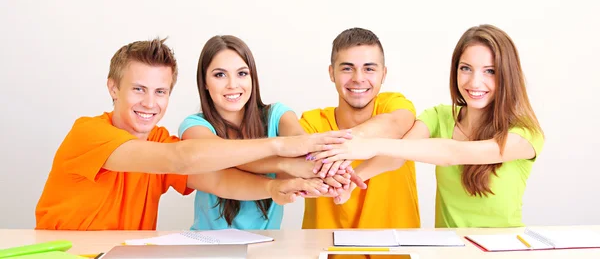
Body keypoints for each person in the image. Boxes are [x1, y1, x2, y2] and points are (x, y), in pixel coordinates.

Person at [35, 38, 350, 230]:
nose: (150, 103)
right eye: (138, 89)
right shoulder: (88, 133)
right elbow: (182, 159)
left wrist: (273, 188)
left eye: (160, 91)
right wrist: (283, 147)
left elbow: (217, 179)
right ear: (113, 88)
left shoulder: (158, 140)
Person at [314, 24, 544, 228]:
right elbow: (397, 156)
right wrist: (353, 182)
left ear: (507, 75)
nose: (474, 82)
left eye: (490, 71)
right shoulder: (438, 117)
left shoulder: (524, 135)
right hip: (448, 252)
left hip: (503, 251)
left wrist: (370, 144)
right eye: (465, 68)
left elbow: (452, 153)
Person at [179, 35, 361, 230]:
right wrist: (286, 162)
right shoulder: (194, 127)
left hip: (267, 247)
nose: (233, 84)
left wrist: (332, 171)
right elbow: (222, 155)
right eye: (220, 75)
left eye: (242, 73)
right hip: (209, 248)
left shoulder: (277, 115)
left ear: (252, 77)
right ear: (204, 81)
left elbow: (301, 145)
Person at [300, 27, 421, 229]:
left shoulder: (394, 104)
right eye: (347, 68)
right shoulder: (312, 123)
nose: (358, 78)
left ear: (384, 73)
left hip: (395, 251)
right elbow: (289, 165)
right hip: (325, 252)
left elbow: (396, 122)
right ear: (332, 73)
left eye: (369, 68)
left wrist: (343, 145)